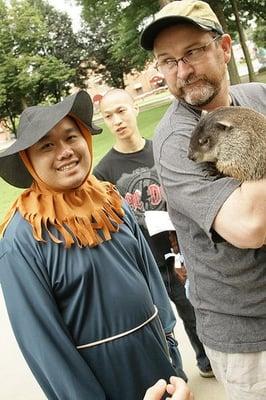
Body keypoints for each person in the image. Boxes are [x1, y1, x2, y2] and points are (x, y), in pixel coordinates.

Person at [0, 90, 188, 400]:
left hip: (159, 363)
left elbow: (149, 277)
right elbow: (44, 345)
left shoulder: (110, 201)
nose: (65, 151)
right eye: (47, 145)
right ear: (28, 159)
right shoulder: (22, 238)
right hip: (104, 382)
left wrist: (172, 355)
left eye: (71, 137)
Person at [140, 1, 266, 399]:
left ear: (224, 47)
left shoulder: (257, 97)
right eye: (168, 60)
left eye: (193, 51)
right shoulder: (176, 141)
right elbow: (251, 226)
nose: (183, 70)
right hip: (249, 338)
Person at [94, 88, 213, 378]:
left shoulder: (159, 150)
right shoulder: (103, 171)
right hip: (142, 261)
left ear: (135, 109)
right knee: (157, 325)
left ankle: (207, 361)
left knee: (193, 311)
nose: (117, 120)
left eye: (121, 111)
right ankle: (171, 376)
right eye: (109, 116)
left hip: (177, 252)